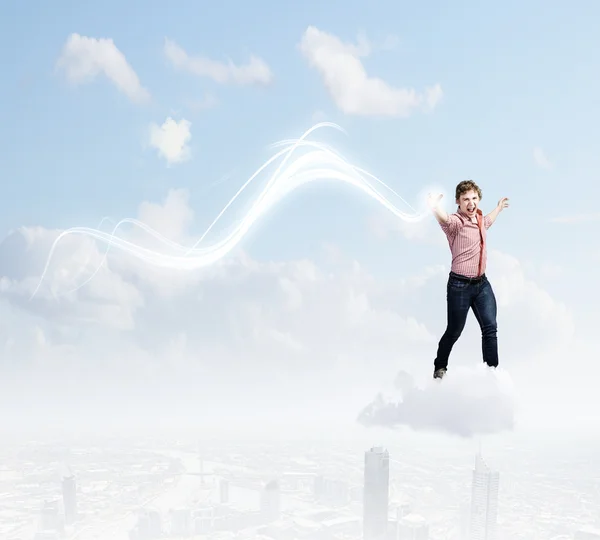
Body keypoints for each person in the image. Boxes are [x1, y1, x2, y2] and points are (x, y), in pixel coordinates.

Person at [428, 180, 509, 379]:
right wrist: (435, 207)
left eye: (474, 198)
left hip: (482, 285)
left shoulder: (480, 219)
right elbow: (444, 218)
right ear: (458, 202)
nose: (471, 203)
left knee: (490, 327)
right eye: (466, 200)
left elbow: (488, 220)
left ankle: (491, 374)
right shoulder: (456, 223)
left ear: (478, 200)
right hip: (459, 286)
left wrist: (498, 208)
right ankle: (440, 366)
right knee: (454, 330)